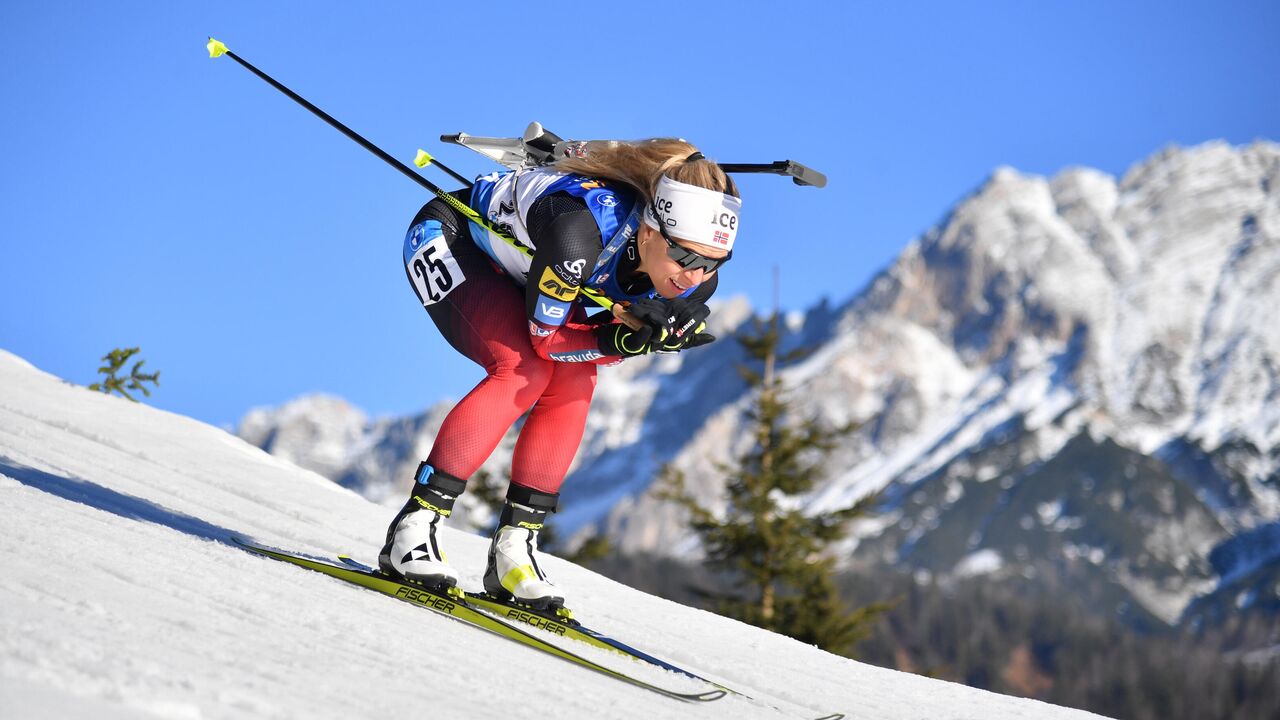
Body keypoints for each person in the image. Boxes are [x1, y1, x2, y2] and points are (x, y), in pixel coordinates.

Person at [378, 138, 742, 610]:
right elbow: (547, 341)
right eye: (686, 258)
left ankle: (515, 548)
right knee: (523, 369)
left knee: (576, 380)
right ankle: (415, 524)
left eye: (713, 263)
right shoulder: (578, 233)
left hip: (529, 272)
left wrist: (635, 338)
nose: (695, 277)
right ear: (650, 232)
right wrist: (620, 340)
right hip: (453, 238)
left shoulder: (693, 281)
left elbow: (592, 347)